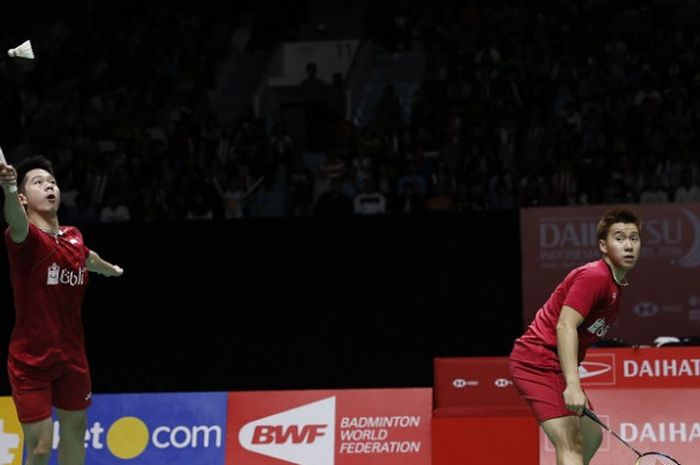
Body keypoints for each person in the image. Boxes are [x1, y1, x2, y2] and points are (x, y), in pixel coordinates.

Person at [0, 155, 124, 465]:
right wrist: (9, 188)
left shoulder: (73, 235)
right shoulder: (25, 241)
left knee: (75, 429)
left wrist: (107, 269)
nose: (49, 186)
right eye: (38, 183)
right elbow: (15, 218)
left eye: (52, 182)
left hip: (71, 355)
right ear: (24, 198)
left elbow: (85, 256)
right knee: (40, 448)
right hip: (31, 361)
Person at [508, 207, 641, 465]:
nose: (628, 246)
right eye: (620, 237)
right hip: (537, 361)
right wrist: (573, 383)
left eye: (634, 238)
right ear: (603, 245)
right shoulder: (595, 277)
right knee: (571, 443)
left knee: (591, 437)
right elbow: (565, 326)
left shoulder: (614, 286)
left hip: (553, 363)